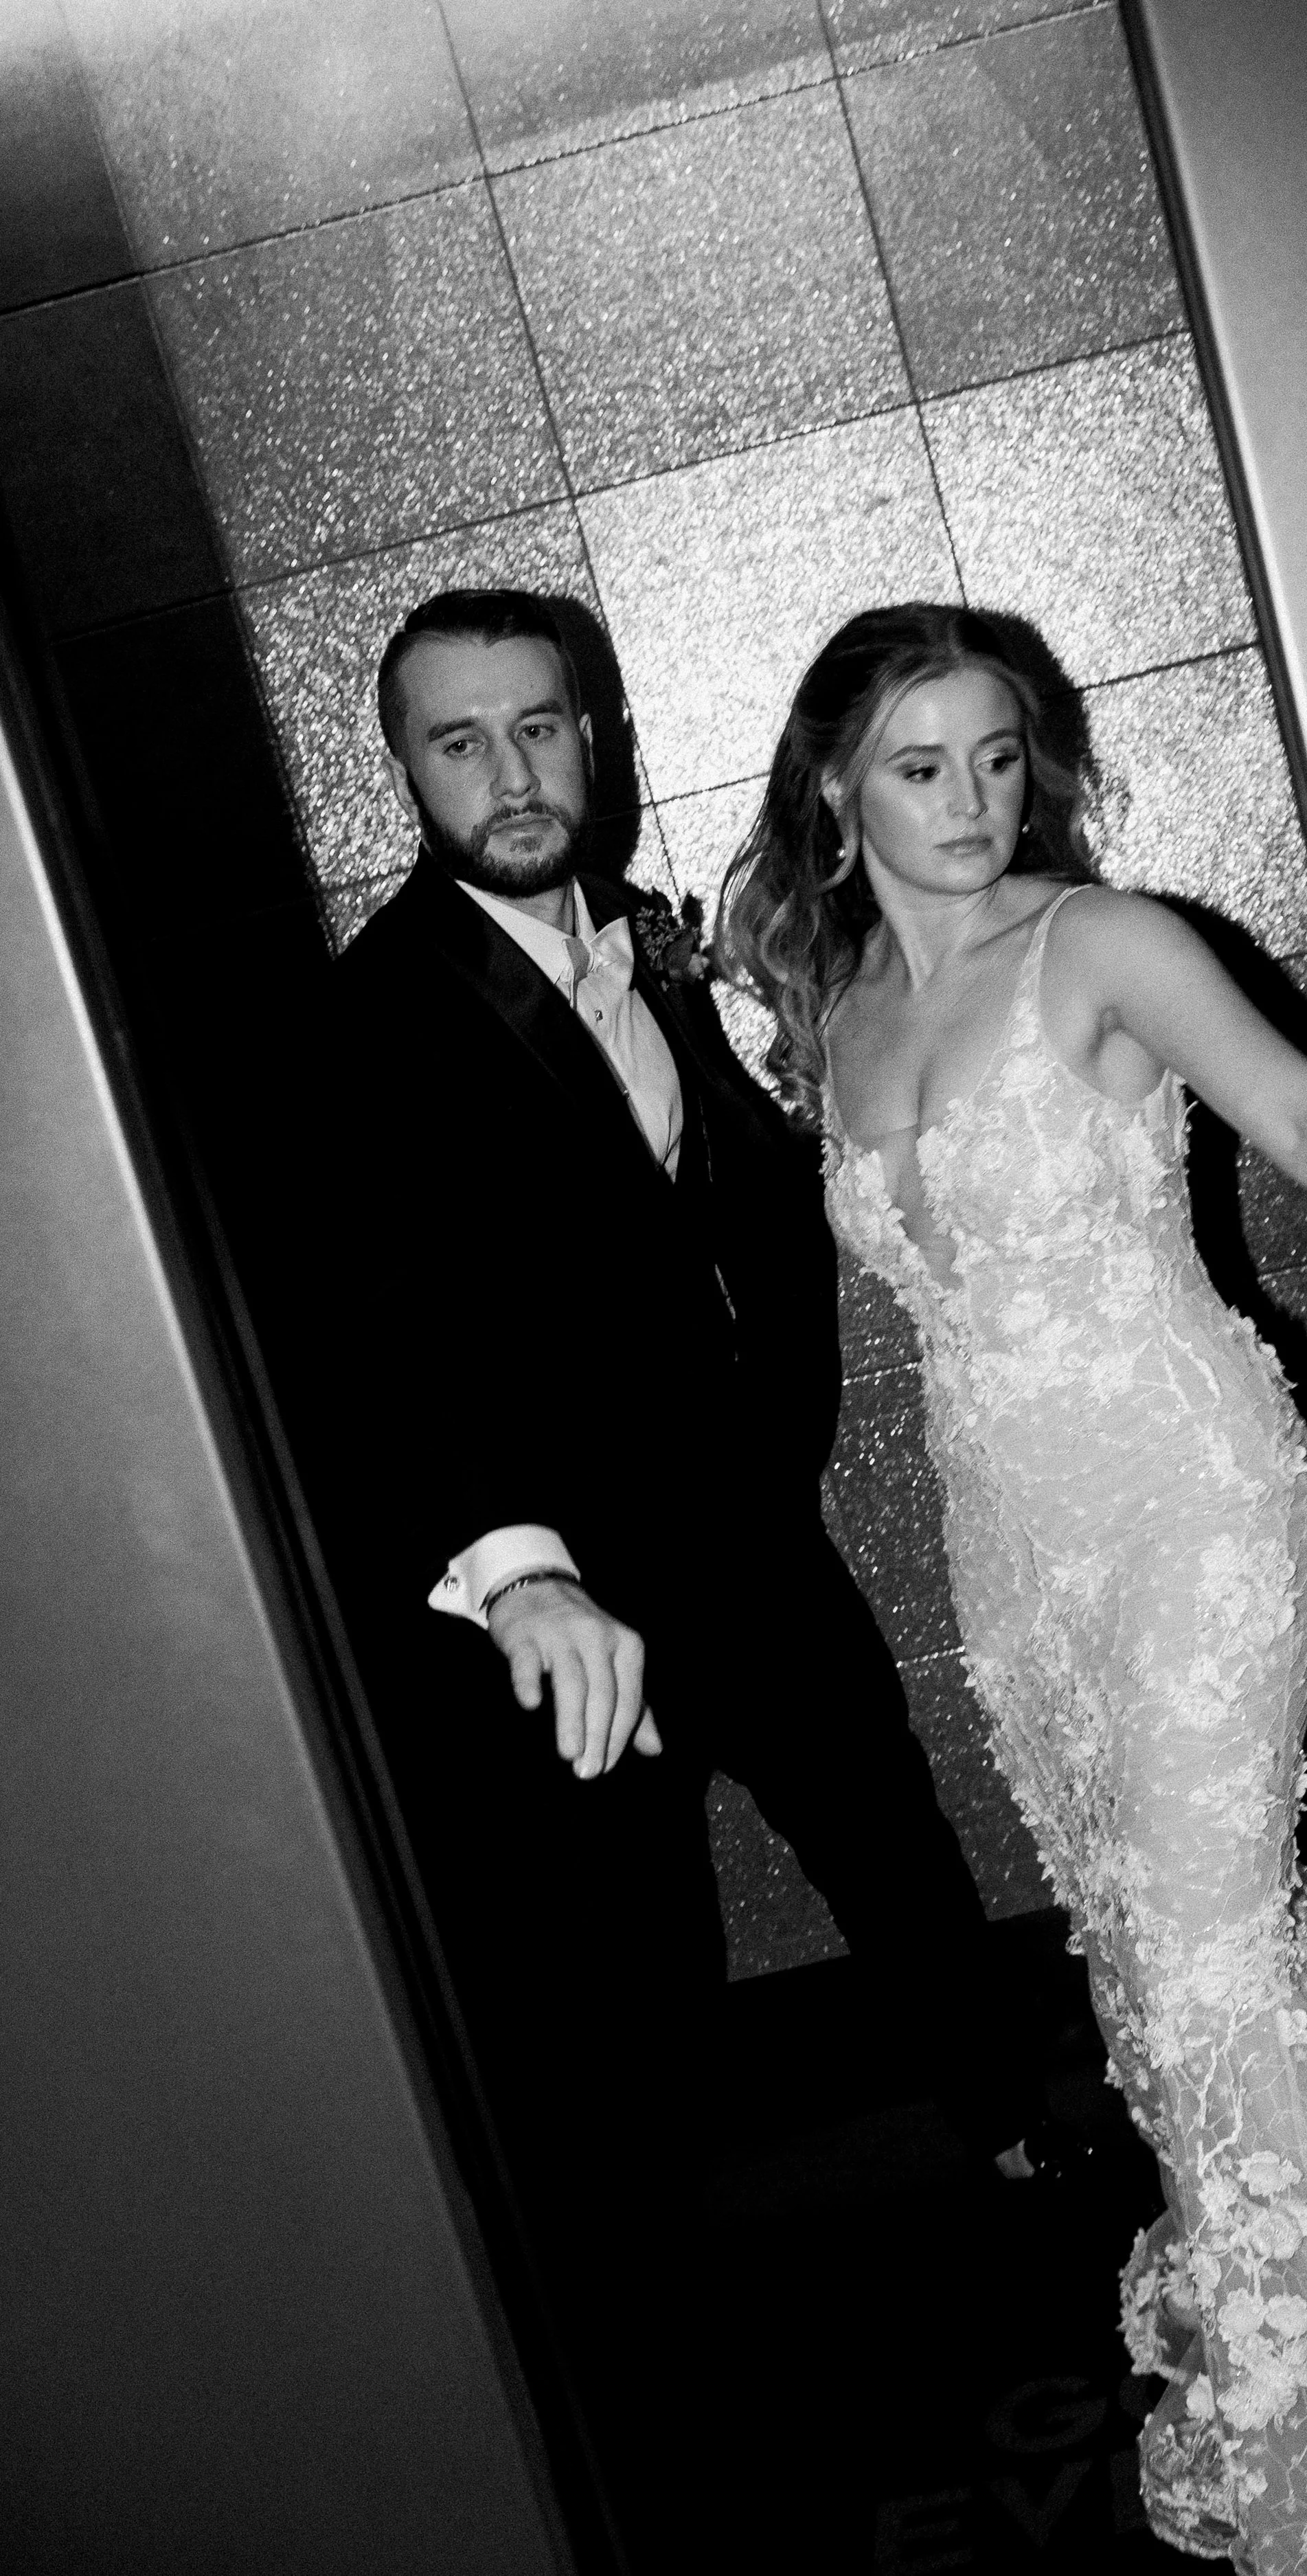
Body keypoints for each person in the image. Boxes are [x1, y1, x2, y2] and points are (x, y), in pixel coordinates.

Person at [718, 604, 1307, 2573]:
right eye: (922, 765)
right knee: (1151, 1968)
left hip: (1195, 1503)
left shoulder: (1104, 940)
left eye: (1001, 756)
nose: (976, 802)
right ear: (833, 780)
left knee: (1200, 1961)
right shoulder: (836, 1012)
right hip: (1017, 1550)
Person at [317, 590, 1052, 2565]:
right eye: (460, 744)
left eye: (541, 729)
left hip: (749, 1543)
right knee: (633, 1988)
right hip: (572, 1620)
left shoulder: (654, 940)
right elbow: (385, 1325)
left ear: (597, 733)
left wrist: (776, 1441)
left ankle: (1023, 2150)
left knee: (893, 1843)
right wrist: (520, 1569)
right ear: (404, 772)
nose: (511, 774)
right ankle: (634, 2421)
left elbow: (726, 1204)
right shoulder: (376, 1011)